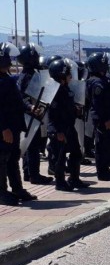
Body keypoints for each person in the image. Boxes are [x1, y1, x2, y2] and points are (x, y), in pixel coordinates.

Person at [0, 42, 37, 205]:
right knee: (1, 159)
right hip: (5, 128)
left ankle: (17, 188)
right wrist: (4, 128)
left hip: (14, 126)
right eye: (6, 58)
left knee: (13, 158)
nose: (9, 61)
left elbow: (17, 100)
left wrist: (29, 107)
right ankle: (1, 192)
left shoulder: (6, 78)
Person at [47, 59, 90, 191]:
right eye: (68, 74)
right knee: (59, 157)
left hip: (69, 126)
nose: (71, 76)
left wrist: (75, 110)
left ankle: (74, 178)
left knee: (76, 153)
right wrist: (57, 131)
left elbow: (66, 108)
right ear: (61, 75)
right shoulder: (54, 91)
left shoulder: (65, 88)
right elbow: (52, 114)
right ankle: (60, 182)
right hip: (59, 129)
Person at [16, 43, 54, 185]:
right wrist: (31, 107)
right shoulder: (28, 75)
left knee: (30, 145)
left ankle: (28, 173)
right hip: (31, 115)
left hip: (34, 114)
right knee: (32, 146)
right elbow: (23, 96)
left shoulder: (32, 73)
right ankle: (34, 175)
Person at [86, 52, 110, 181]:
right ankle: (103, 172)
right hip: (102, 119)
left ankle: (106, 169)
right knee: (101, 146)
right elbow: (98, 104)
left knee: (107, 144)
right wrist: (105, 120)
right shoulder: (97, 83)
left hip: (106, 118)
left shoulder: (102, 80)